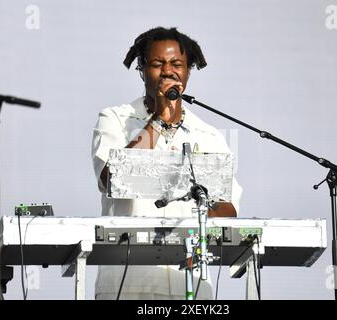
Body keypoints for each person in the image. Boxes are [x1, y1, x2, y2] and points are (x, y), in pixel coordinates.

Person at [91, 26, 242, 300]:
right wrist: (160, 121)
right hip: (127, 285)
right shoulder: (115, 118)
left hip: (192, 286)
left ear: (188, 71)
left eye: (177, 64)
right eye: (157, 64)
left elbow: (228, 212)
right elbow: (110, 179)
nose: (168, 71)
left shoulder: (208, 134)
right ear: (141, 69)